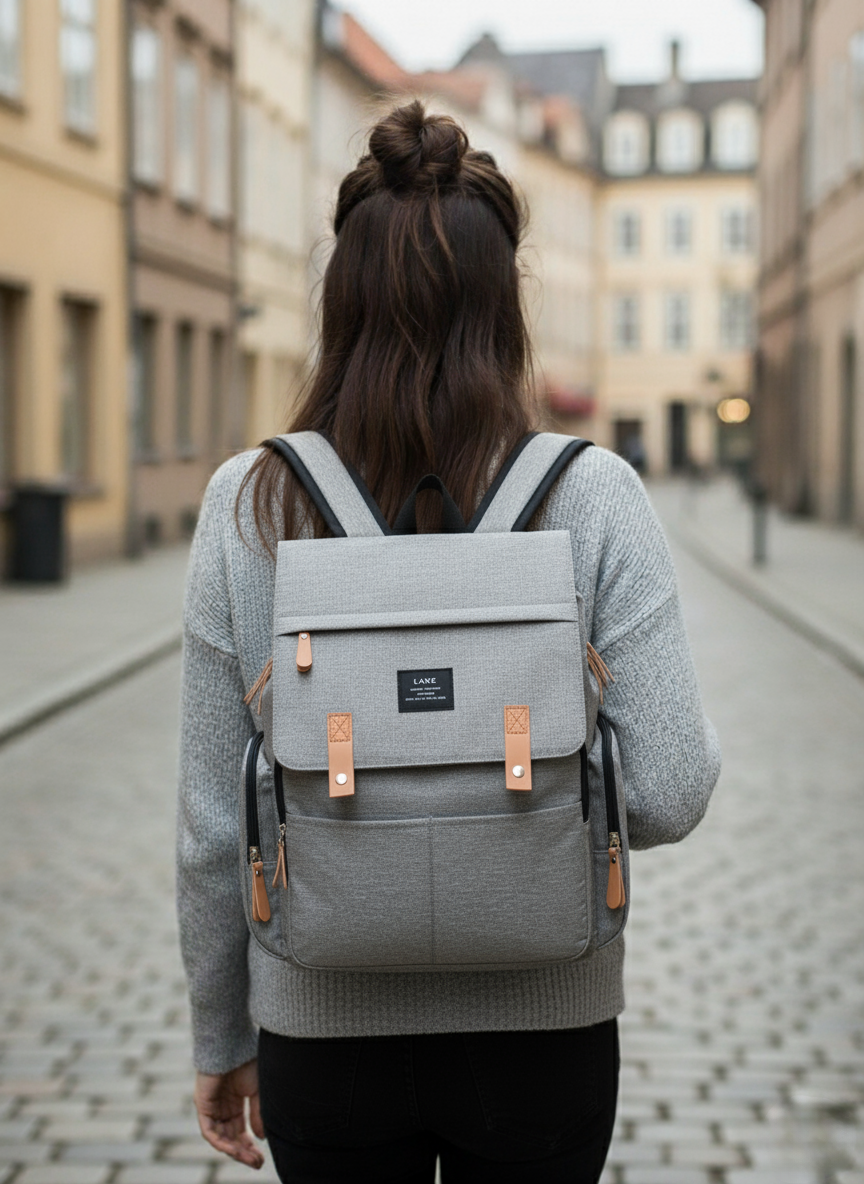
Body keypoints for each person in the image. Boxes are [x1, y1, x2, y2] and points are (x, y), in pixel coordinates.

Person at [177, 101, 720, 1184]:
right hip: (544, 1035)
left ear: (340, 303)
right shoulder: (596, 497)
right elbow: (667, 789)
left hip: (320, 1033)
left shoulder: (250, 504)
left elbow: (208, 826)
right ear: (503, 309)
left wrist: (218, 1036)